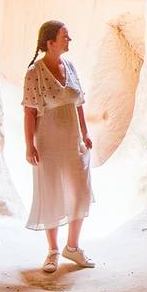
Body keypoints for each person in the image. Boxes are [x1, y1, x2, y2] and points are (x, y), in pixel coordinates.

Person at [22, 20, 94, 272]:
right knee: (51, 192)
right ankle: (52, 251)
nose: (69, 39)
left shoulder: (70, 66)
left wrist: (85, 133)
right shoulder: (34, 72)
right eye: (65, 35)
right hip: (48, 142)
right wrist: (29, 145)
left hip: (73, 140)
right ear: (50, 42)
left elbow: (79, 102)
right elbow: (30, 112)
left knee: (80, 191)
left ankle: (72, 247)